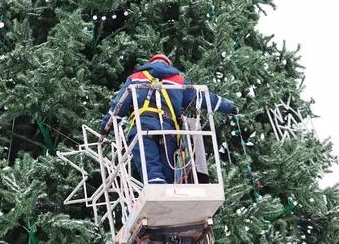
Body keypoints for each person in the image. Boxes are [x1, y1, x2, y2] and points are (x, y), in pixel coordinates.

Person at [101, 54, 238, 184]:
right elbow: (205, 98)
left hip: (142, 128)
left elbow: (119, 106)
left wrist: (105, 129)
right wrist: (230, 106)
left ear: (150, 64)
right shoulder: (178, 81)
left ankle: (155, 187)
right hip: (169, 132)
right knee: (169, 175)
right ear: (168, 65)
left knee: (151, 171)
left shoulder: (136, 77)